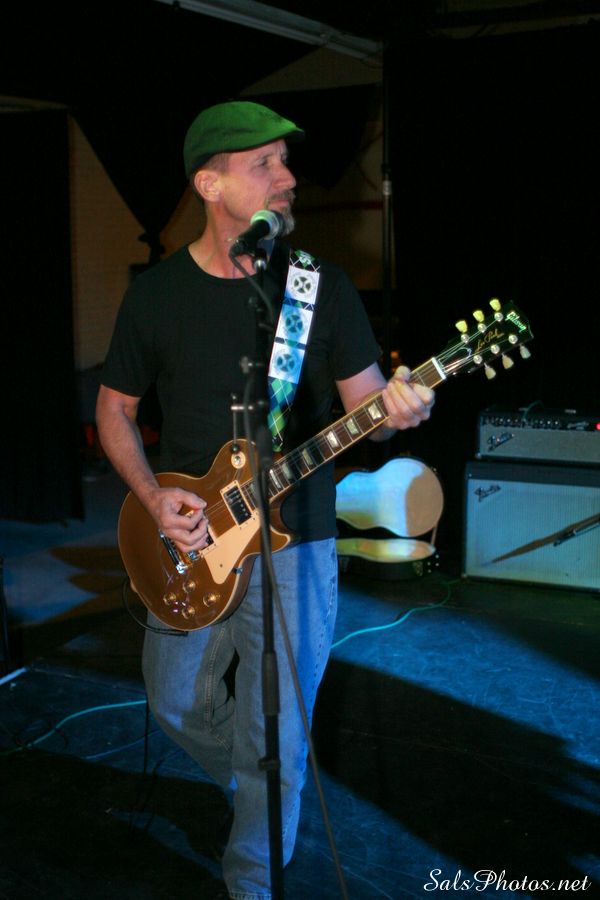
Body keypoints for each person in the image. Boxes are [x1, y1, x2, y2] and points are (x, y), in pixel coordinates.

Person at [96, 99, 435, 900]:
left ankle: (252, 873)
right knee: (174, 700)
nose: (287, 178)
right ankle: (257, 791)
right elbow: (114, 410)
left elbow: (365, 407)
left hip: (297, 538)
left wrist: (397, 407)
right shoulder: (156, 296)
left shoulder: (319, 287)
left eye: (285, 161)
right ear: (209, 184)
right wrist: (151, 497)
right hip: (187, 534)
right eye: (264, 164)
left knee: (274, 729)